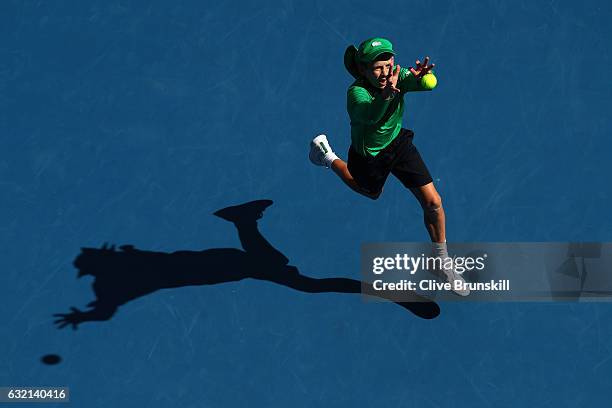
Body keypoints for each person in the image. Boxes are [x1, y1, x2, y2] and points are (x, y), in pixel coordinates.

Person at [308, 37, 469, 296]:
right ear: (362, 70)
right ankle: (326, 155)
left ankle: (441, 260)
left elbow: (428, 85)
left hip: (398, 144)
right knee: (371, 193)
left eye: (388, 64)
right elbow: (371, 116)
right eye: (377, 68)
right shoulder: (356, 93)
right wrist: (386, 95)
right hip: (369, 155)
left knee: (433, 202)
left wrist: (422, 78)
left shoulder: (397, 76)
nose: (385, 72)